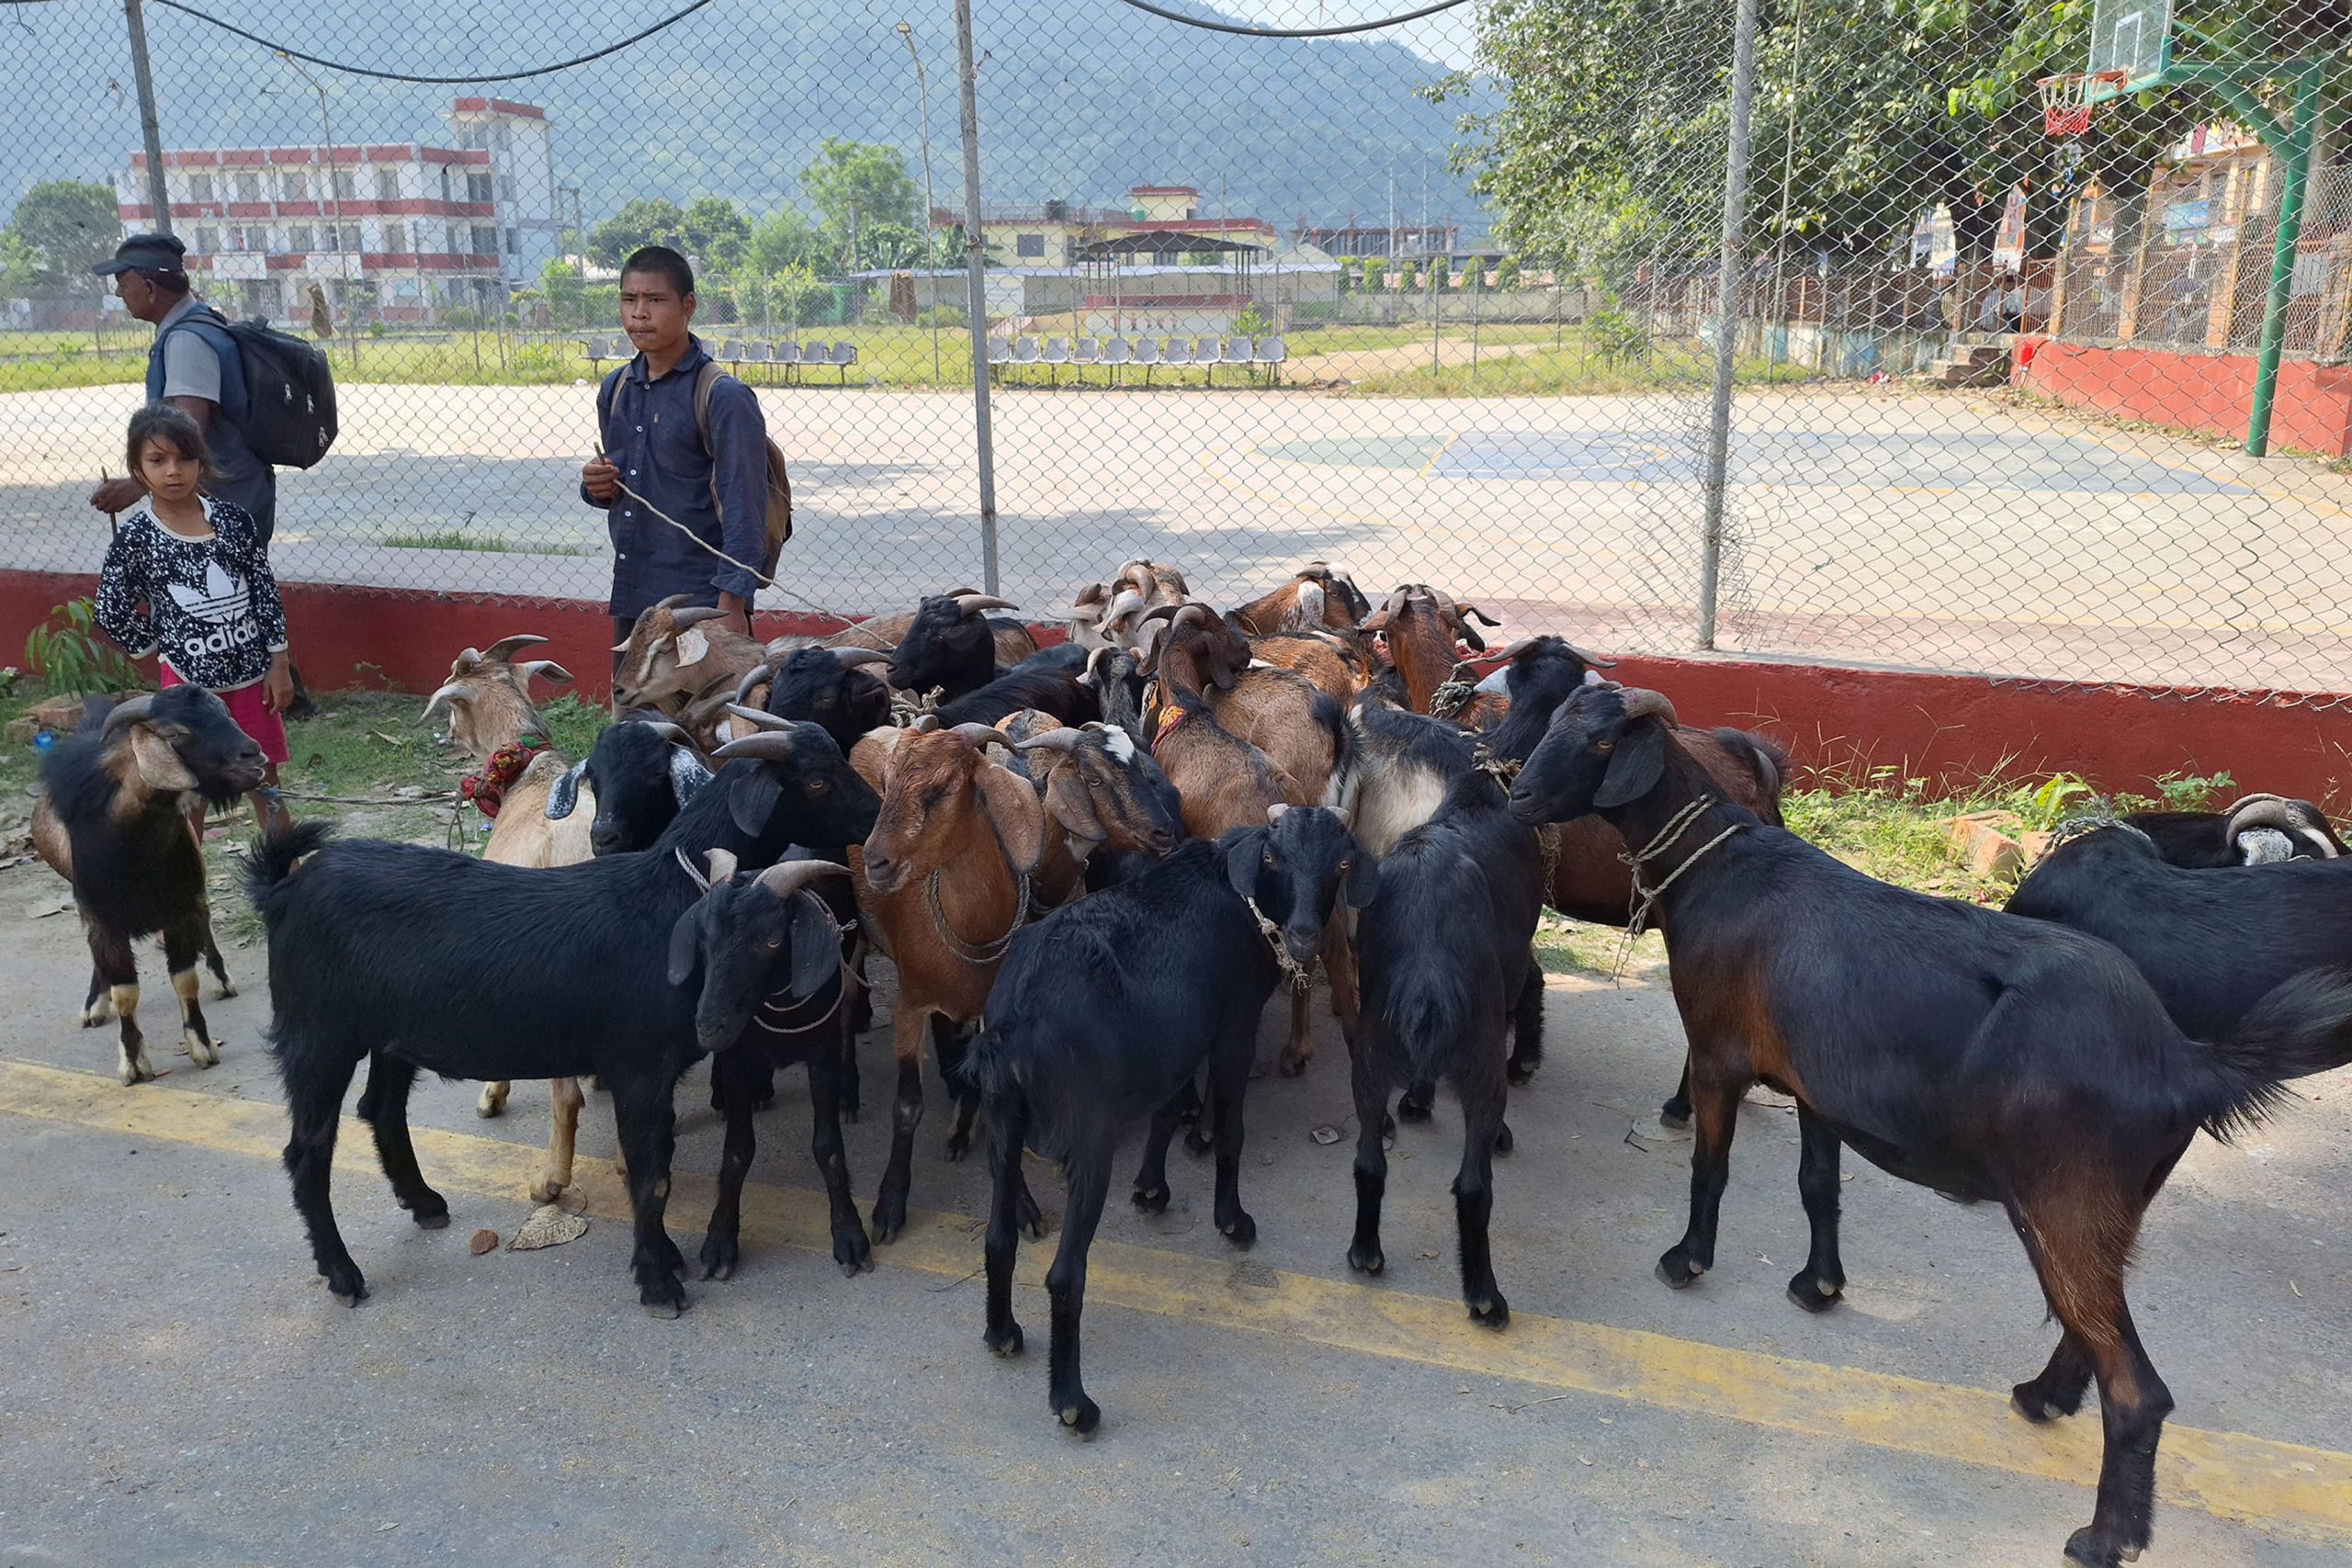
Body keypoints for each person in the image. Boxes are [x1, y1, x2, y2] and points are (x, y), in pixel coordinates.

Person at [85, 233, 317, 717]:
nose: (119, 293)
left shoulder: (187, 339)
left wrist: (137, 484)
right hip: (234, 484)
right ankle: (274, 698)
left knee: (236, 592)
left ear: (150, 286)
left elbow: (189, 423)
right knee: (235, 592)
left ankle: (263, 699)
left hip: (225, 492)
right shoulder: (196, 325)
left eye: (123, 283)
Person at [95, 404, 295, 838]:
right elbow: (110, 610)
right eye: (157, 460)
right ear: (137, 468)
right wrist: (160, 645)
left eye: (184, 458)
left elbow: (263, 591)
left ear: (201, 461)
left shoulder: (233, 521)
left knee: (265, 780)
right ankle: (190, 884)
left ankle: (290, 880)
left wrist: (278, 663)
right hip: (189, 692)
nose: (173, 471)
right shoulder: (137, 538)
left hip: (252, 678)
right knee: (190, 791)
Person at [580, 245, 770, 658]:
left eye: (655, 300)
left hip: (701, 603)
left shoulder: (723, 397)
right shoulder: (616, 390)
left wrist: (731, 605)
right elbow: (623, 486)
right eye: (629, 300)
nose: (640, 313)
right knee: (635, 718)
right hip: (634, 594)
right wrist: (597, 487)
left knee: (702, 719)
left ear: (688, 306)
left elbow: (746, 508)